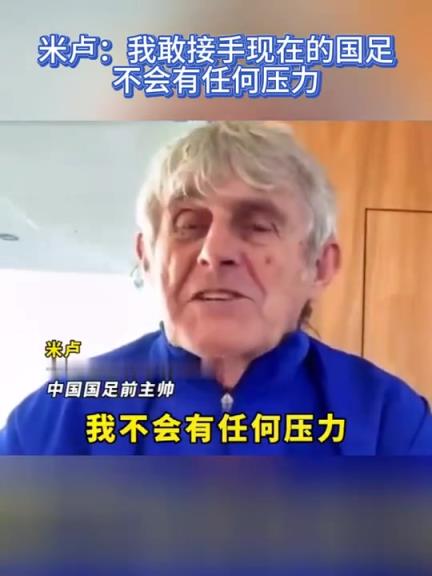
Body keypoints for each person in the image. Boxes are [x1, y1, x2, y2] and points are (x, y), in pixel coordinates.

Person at [1, 121, 431, 455]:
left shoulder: (389, 423)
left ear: (319, 265)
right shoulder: (54, 421)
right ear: (147, 257)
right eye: (189, 225)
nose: (215, 251)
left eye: (257, 225)